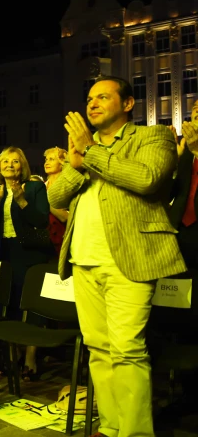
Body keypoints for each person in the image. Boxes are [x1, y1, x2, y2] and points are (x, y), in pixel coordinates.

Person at [49, 76, 187, 437]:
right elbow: (55, 198)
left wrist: (90, 152)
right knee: (99, 349)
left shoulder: (152, 137)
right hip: (83, 258)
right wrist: (77, 163)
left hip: (131, 257)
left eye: (103, 97)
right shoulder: (85, 148)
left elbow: (147, 180)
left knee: (127, 350)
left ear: (127, 104)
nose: (92, 103)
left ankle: (136, 433)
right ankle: (111, 428)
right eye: (90, 98)